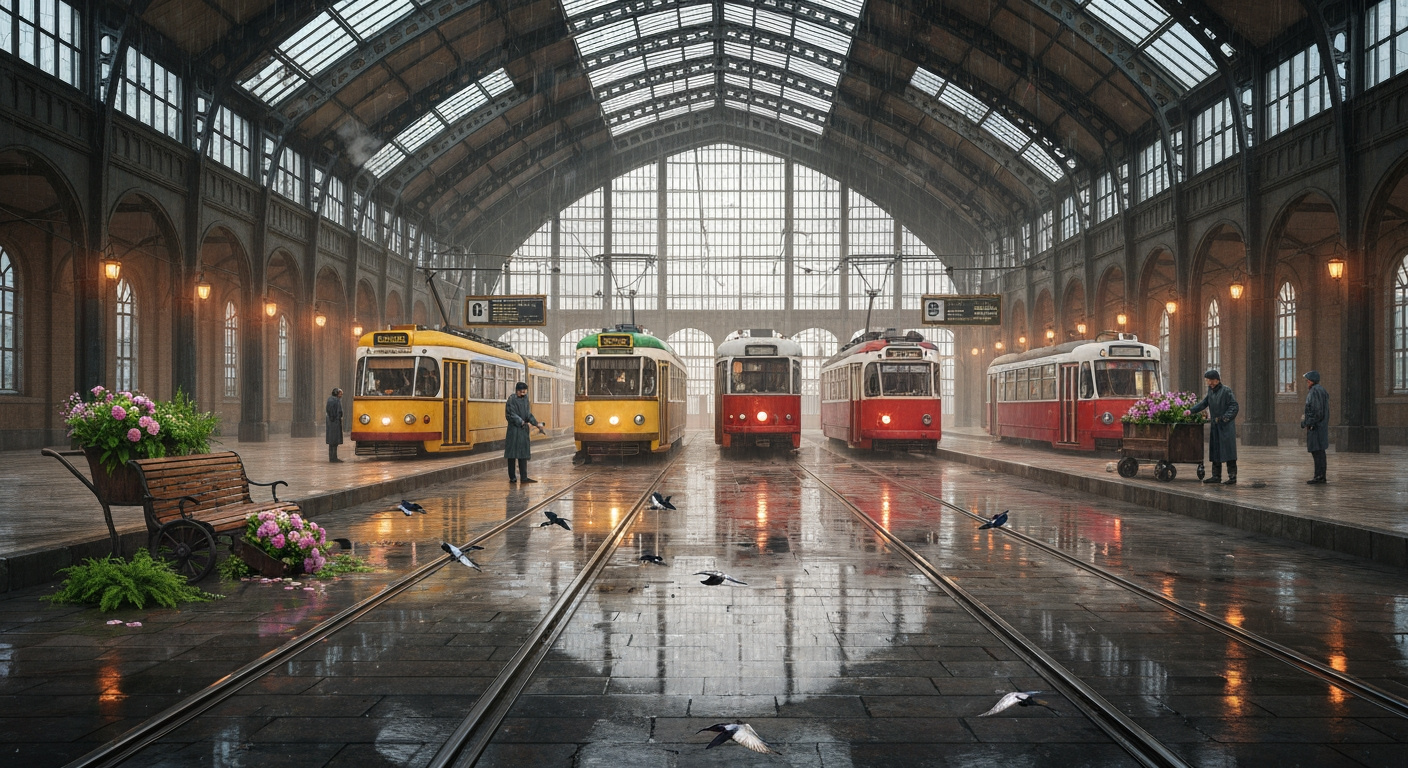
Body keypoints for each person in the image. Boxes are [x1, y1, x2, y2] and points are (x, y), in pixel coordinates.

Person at [1189, 369, 1238, 485]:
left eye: (1210, 380)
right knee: (1215, 451)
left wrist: (1225, 418)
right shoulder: (1211, 391)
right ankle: (1216, 476)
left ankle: (1232, 477)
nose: (1208, 383)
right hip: (1215, 426)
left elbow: (1234, 406)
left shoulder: (1226, 391)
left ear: (1216, 380)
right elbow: (1204, 403)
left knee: (1228, 451)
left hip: (1225, 427)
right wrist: (1190, 411)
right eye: (1207, 381)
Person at [505, 381, 545, 484]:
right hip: (514, 431)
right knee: (512, 455)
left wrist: (536, 423)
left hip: (523, 431)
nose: (523, 394)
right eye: (521, 392)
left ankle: (524, 477)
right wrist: (521, 422)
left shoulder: (525, 399)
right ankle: (512, 478)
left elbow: (528, 414)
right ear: (517, 391)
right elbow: (511, 414)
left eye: (525, 392)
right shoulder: (511, 399)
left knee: (523, 454)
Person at [1301, 370, 1329, 484]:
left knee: (1317, 452)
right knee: (1319, 452)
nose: (1307, 382)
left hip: (1316, 427)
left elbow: (1316, 410)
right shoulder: (1320, 390)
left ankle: (1319, 476)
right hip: (1320, 426)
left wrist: (1309, 423)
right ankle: (1320, 475)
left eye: (1308, 380)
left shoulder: (1315, 391)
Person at [326, 387, 345, 463]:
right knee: (334, 441)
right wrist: (335, 418)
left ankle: (332, 457)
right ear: (337, 393)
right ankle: (334, 458)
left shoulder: (330, 399)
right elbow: (336, 412)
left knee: (332, 442)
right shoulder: (335, 400)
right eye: (340, 393)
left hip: (331, 423)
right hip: (335, 423)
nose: (341, 395)